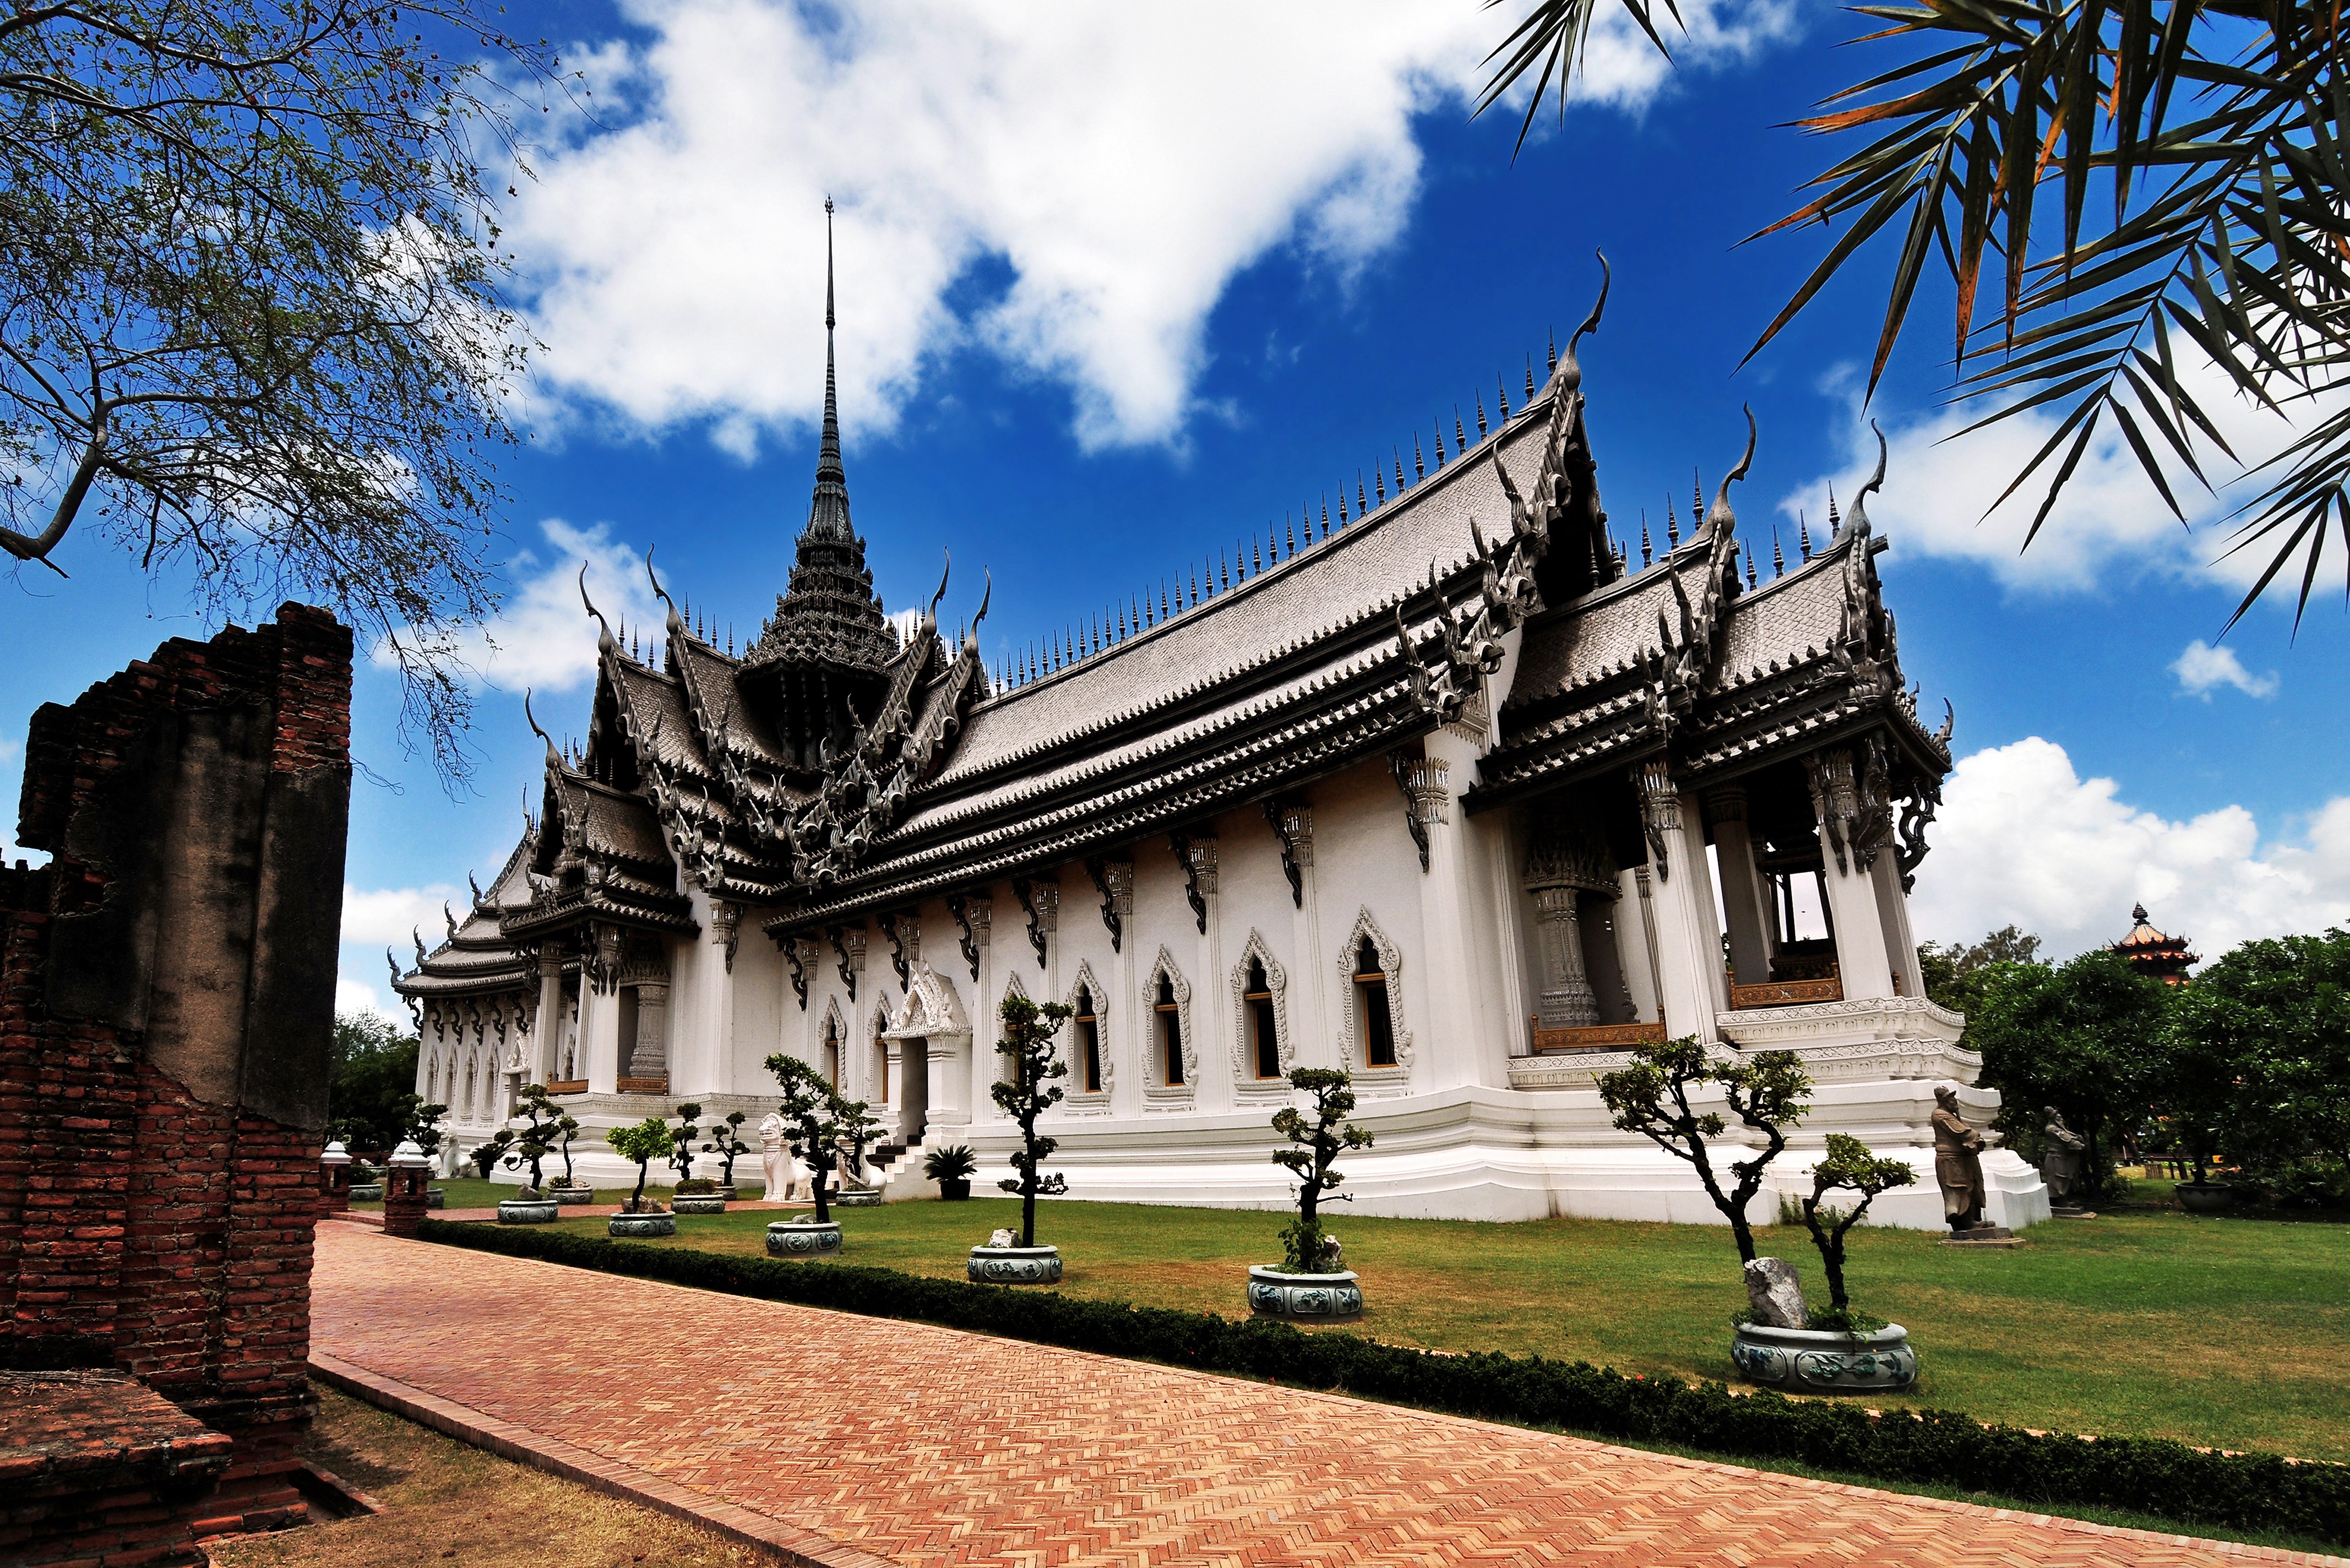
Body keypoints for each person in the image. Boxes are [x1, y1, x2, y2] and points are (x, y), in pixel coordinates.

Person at [1932, 1085, 1989, 1233]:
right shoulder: (1940, 1115)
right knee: (1960, 1190)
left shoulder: (1951, 1115)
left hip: (1964, 1158)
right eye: (1951, 1099)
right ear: (1945, 1101)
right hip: (1951, 1160)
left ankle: (1975, 1219)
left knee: (1974, 1187)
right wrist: (1976, 1137)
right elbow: (1961, 1132)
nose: (1955, 1102)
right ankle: (1967, 1222)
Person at [2041, 1106, 2088, 1209]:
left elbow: (2071, 1136)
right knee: (2058, 1180)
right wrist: (2081, 1146)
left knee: (2065, 1179)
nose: (2061, 1119)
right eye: (2058, 1117)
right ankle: (2059, 1202)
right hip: (2056, 1158)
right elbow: (2068, 1141)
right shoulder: (2052, 1129)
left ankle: (2063, 1201)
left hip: (2063, 1157)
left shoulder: (2060, 1129)